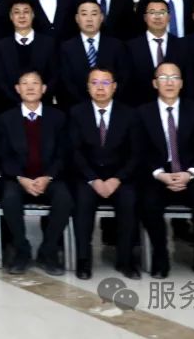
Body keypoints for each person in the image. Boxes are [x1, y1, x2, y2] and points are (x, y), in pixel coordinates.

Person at [133, 63, 194, 280]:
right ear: (155, 83)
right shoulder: (143, 112)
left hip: (189, 174)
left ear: (181, 83)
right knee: (148, 204)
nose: (169, 83)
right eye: (163, 78)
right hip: (158, 175)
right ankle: (160, 256)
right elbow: (139, 151)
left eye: (174, 78)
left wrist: (190, 173)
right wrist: (159, 174)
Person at [0, 71, 73, 276]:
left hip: (49, 178)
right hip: (18, 178)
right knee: (9, 199)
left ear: (44, 89)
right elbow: (3, 155)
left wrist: (48, 177)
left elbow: (63, 154)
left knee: (65, 198)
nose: (30, 87)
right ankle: (22, 250)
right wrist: (21, 178)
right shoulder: (6, 118)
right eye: (25, 83)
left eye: (35, 83)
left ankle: (48, 251)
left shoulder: (58, 117)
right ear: (17, 89)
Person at [70, 67, 140, 280]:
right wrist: (93, 179)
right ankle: (83, 260)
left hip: (119, 177)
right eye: (95, 83)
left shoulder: (129, 114)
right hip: (88, 176)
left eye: (105, 83)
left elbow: (135, 153)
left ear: (114, 87)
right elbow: (74, 152)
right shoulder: (77, 113)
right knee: (82, 202)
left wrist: (117, 179)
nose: (100, 88)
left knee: (129, 202)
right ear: (87, 87)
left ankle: (125, 260)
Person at [57, 0, 128, 108]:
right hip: (77, 107)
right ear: (77, 18)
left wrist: (106, 101)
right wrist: (85, 105)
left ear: (101, 17)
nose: (89, 19)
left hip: (111, 106)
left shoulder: (116, 45)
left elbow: (123, 77)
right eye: (84, 14)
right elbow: (66, 81)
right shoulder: (66, 47)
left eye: (94, 14)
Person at [0, 0, 58, 105]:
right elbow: (0, 79)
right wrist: (18, 102)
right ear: (11, 16)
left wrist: (39, 98)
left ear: (33, 15)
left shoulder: (48, 43)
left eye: (26, 12)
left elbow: (54, 75)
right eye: (17, 12)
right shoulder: (2, 45)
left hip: (43, 105)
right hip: (11, 106)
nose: (22, 16)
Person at [125, 0, 185, 106]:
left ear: (169, 17)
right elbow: (127, 82)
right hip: (140, 107)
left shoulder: (182, 45)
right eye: (152, 13)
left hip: (174, 106)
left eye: (162, 12)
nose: (157, 17)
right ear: (145, 17)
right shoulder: (130, 47)